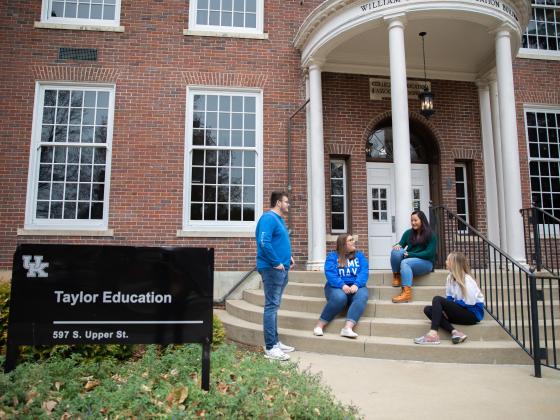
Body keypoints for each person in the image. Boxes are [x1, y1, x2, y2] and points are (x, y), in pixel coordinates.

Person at [256, 191, 296, 361]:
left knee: (275, 306)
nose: (288, 205)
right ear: (279, 203)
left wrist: (288, 258)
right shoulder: (268, 218)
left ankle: (276, 342)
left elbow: (279, 242)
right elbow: (264, 242)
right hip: (272, 269)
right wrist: (275, 262)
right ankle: (271, 347)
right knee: (271, 306)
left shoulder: (279, 220)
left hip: (282, 268)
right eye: (286, 202)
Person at [414, 251, 485, 345]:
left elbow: (470, 303)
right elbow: (450, 298)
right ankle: (455, 332)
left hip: (472, 314)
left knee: (437, 299)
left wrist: (449, 308)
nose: (445, 261)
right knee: (428, 310)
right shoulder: (450, 277)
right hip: (461, 312)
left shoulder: (467, 280)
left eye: (448, 260)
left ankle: (433, 334)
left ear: (454, 263)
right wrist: (446, 310)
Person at [313, 234, 369, 338]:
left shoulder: (359, 256)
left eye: (353, 239)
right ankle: (319, 326)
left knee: (362, 296)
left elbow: (364, 272)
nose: (354, 241)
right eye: (350, 240)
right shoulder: (333, 256)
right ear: (343, 244)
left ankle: (347, 328)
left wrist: (357, 284)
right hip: (335, 287)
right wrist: (342, 285)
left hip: (355, 286)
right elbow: (330, 273)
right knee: (340, 297)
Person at [390, 210, 437, 303]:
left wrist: (411, 254)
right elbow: (401, 244)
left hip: (426, 263)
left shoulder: (431, 235)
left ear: (422, 220)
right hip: (411, 260)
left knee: (405, 262)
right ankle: (396, 276)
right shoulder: (408, 233)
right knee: (395, 252)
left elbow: (429, 253)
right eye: (412, 221)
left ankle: (406, 293)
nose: (413, 223)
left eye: (415, 220)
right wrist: (397, 245)